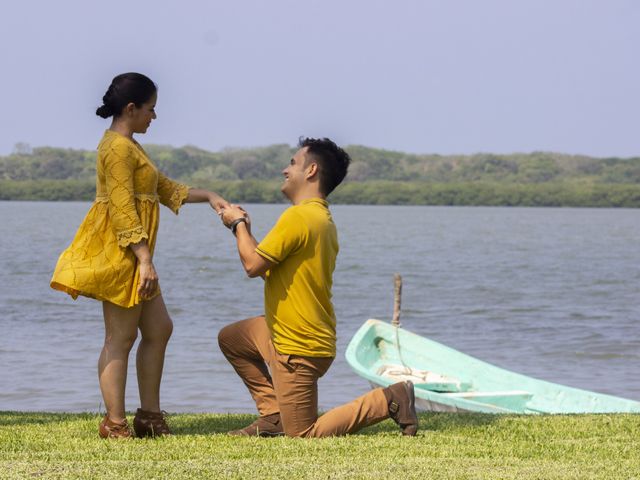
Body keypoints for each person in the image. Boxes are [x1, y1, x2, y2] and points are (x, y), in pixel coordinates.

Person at [50, 72, 229, 439]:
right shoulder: (116, 148)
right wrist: (144, 258)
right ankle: (114, 423)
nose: (154, 117)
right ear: (131, 109)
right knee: (121, 338)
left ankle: (149, 416)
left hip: (135, 254)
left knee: (159, 329)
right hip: (122, 254)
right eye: (151, 109)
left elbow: (163, 188)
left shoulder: (130, 146)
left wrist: (211, 196)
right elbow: (121, 209)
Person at [217, 137, 418, 438]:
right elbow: (267, 267)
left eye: (293, 163)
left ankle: (390, 399)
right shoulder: (320, 218)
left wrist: (238, 225)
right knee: (232, 339)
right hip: (284, 332)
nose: (286, 170)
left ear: (311, 171)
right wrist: (244, 227)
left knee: (303, 435)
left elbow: (251, 266)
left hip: (298, 347)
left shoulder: (299, 217)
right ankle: (274, 415)